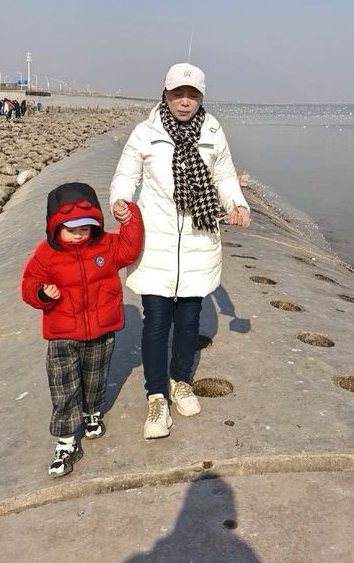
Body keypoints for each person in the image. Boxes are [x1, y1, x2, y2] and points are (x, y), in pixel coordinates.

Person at [110, 62, 250, 440]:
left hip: (198, 241)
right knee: (156, 323)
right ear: (165, 94)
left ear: (201, 97)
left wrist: (237, 204)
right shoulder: (146, 132)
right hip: (155, 242)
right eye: (178, 94)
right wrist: (120, 200)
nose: (184, 102)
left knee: (189, 322)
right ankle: (156, 395)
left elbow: (223, 175)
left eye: (192, 95)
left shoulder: (213, 132)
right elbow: (126, 174)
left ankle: (181, 382)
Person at [21, 182, 143, 477]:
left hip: (101, 332)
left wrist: (130, 217)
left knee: (95, 378)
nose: (78, 234)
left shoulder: (105, 246)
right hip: (62, 335)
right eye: (71, 228)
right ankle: (64, 441)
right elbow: (29, 284)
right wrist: (41, 293)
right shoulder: (45, 254)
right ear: (55, 227)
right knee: (64, 387)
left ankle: (92, 412)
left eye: (85, 228)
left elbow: (129, 249)